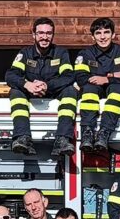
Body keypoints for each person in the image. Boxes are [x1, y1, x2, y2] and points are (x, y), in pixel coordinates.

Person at [5, 17, 77, 157]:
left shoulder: (61, 53)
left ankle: (62, 139)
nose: (44, 37)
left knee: (70, 91)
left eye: (48, 33)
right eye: (41, 33)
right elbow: (11, 75)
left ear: (53, 35)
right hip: (30, 91)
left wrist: (47, 86)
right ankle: (22, 137)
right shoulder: (25, 53)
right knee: (15, 91)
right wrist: (27, 85)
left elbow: (68, 76)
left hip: (53, 91)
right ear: (34, 35)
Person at [73, 17, 120, 153]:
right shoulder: (85, 54)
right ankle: (87, 131)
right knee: (89, 89)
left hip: (116, 90)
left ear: (113, 34)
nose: (103, 37)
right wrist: (118, 75)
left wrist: (107, 78)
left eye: (106, 32)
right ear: (93, 37)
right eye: (98, 33)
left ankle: (104, 132)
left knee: (117, 89)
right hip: (94, 91)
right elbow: (80, 77)